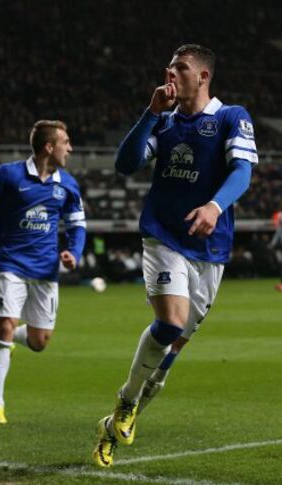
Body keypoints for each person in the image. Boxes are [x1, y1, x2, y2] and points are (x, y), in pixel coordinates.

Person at [92, 44, 258, 467]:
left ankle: (113, 425)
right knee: (170, 322)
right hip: (163, 235)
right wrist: (149, 112)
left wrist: (214, 206)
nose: (171, 73)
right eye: (168, 66)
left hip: (211, 247)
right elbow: (126, 164)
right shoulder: (163, 123)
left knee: (166, 362)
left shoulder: (230, 117)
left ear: (202, 77)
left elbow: (242, 170)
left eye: (180, 67)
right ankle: (126, 400)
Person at [0, 120, 86, 424]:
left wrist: (75, 253)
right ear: (49, 147)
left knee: (39, 341)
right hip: (10, 264)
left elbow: (77, 225)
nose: (70, 148)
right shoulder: (9, 174)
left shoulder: (68, 184)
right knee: (4, 326)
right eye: (65, 142)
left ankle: (8, 343)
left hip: (45, 270)